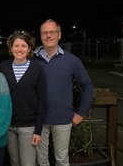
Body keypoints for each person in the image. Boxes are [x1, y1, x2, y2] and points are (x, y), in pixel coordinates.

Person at [34, 19, 94, 166]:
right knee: (41, 161)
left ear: (59, 35)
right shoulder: (32, 60)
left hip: (62, 119)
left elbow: (87, 85)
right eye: (45, 32)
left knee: (62, 159)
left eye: (52, 32)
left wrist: (81, 113)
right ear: (41, 36)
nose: (48, 35)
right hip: (38, 120)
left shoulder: (71, 60)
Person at [0, 31, 46, 166]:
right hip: (9, 126)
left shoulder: (37, 69)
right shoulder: (4, 67)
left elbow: (42, 100)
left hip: (29, 127)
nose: (20, 49)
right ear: (11, 48)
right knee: (14, 162)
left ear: (29, 48)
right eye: (16, 45)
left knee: (28, 163)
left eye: (24, 46)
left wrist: (38, 130)